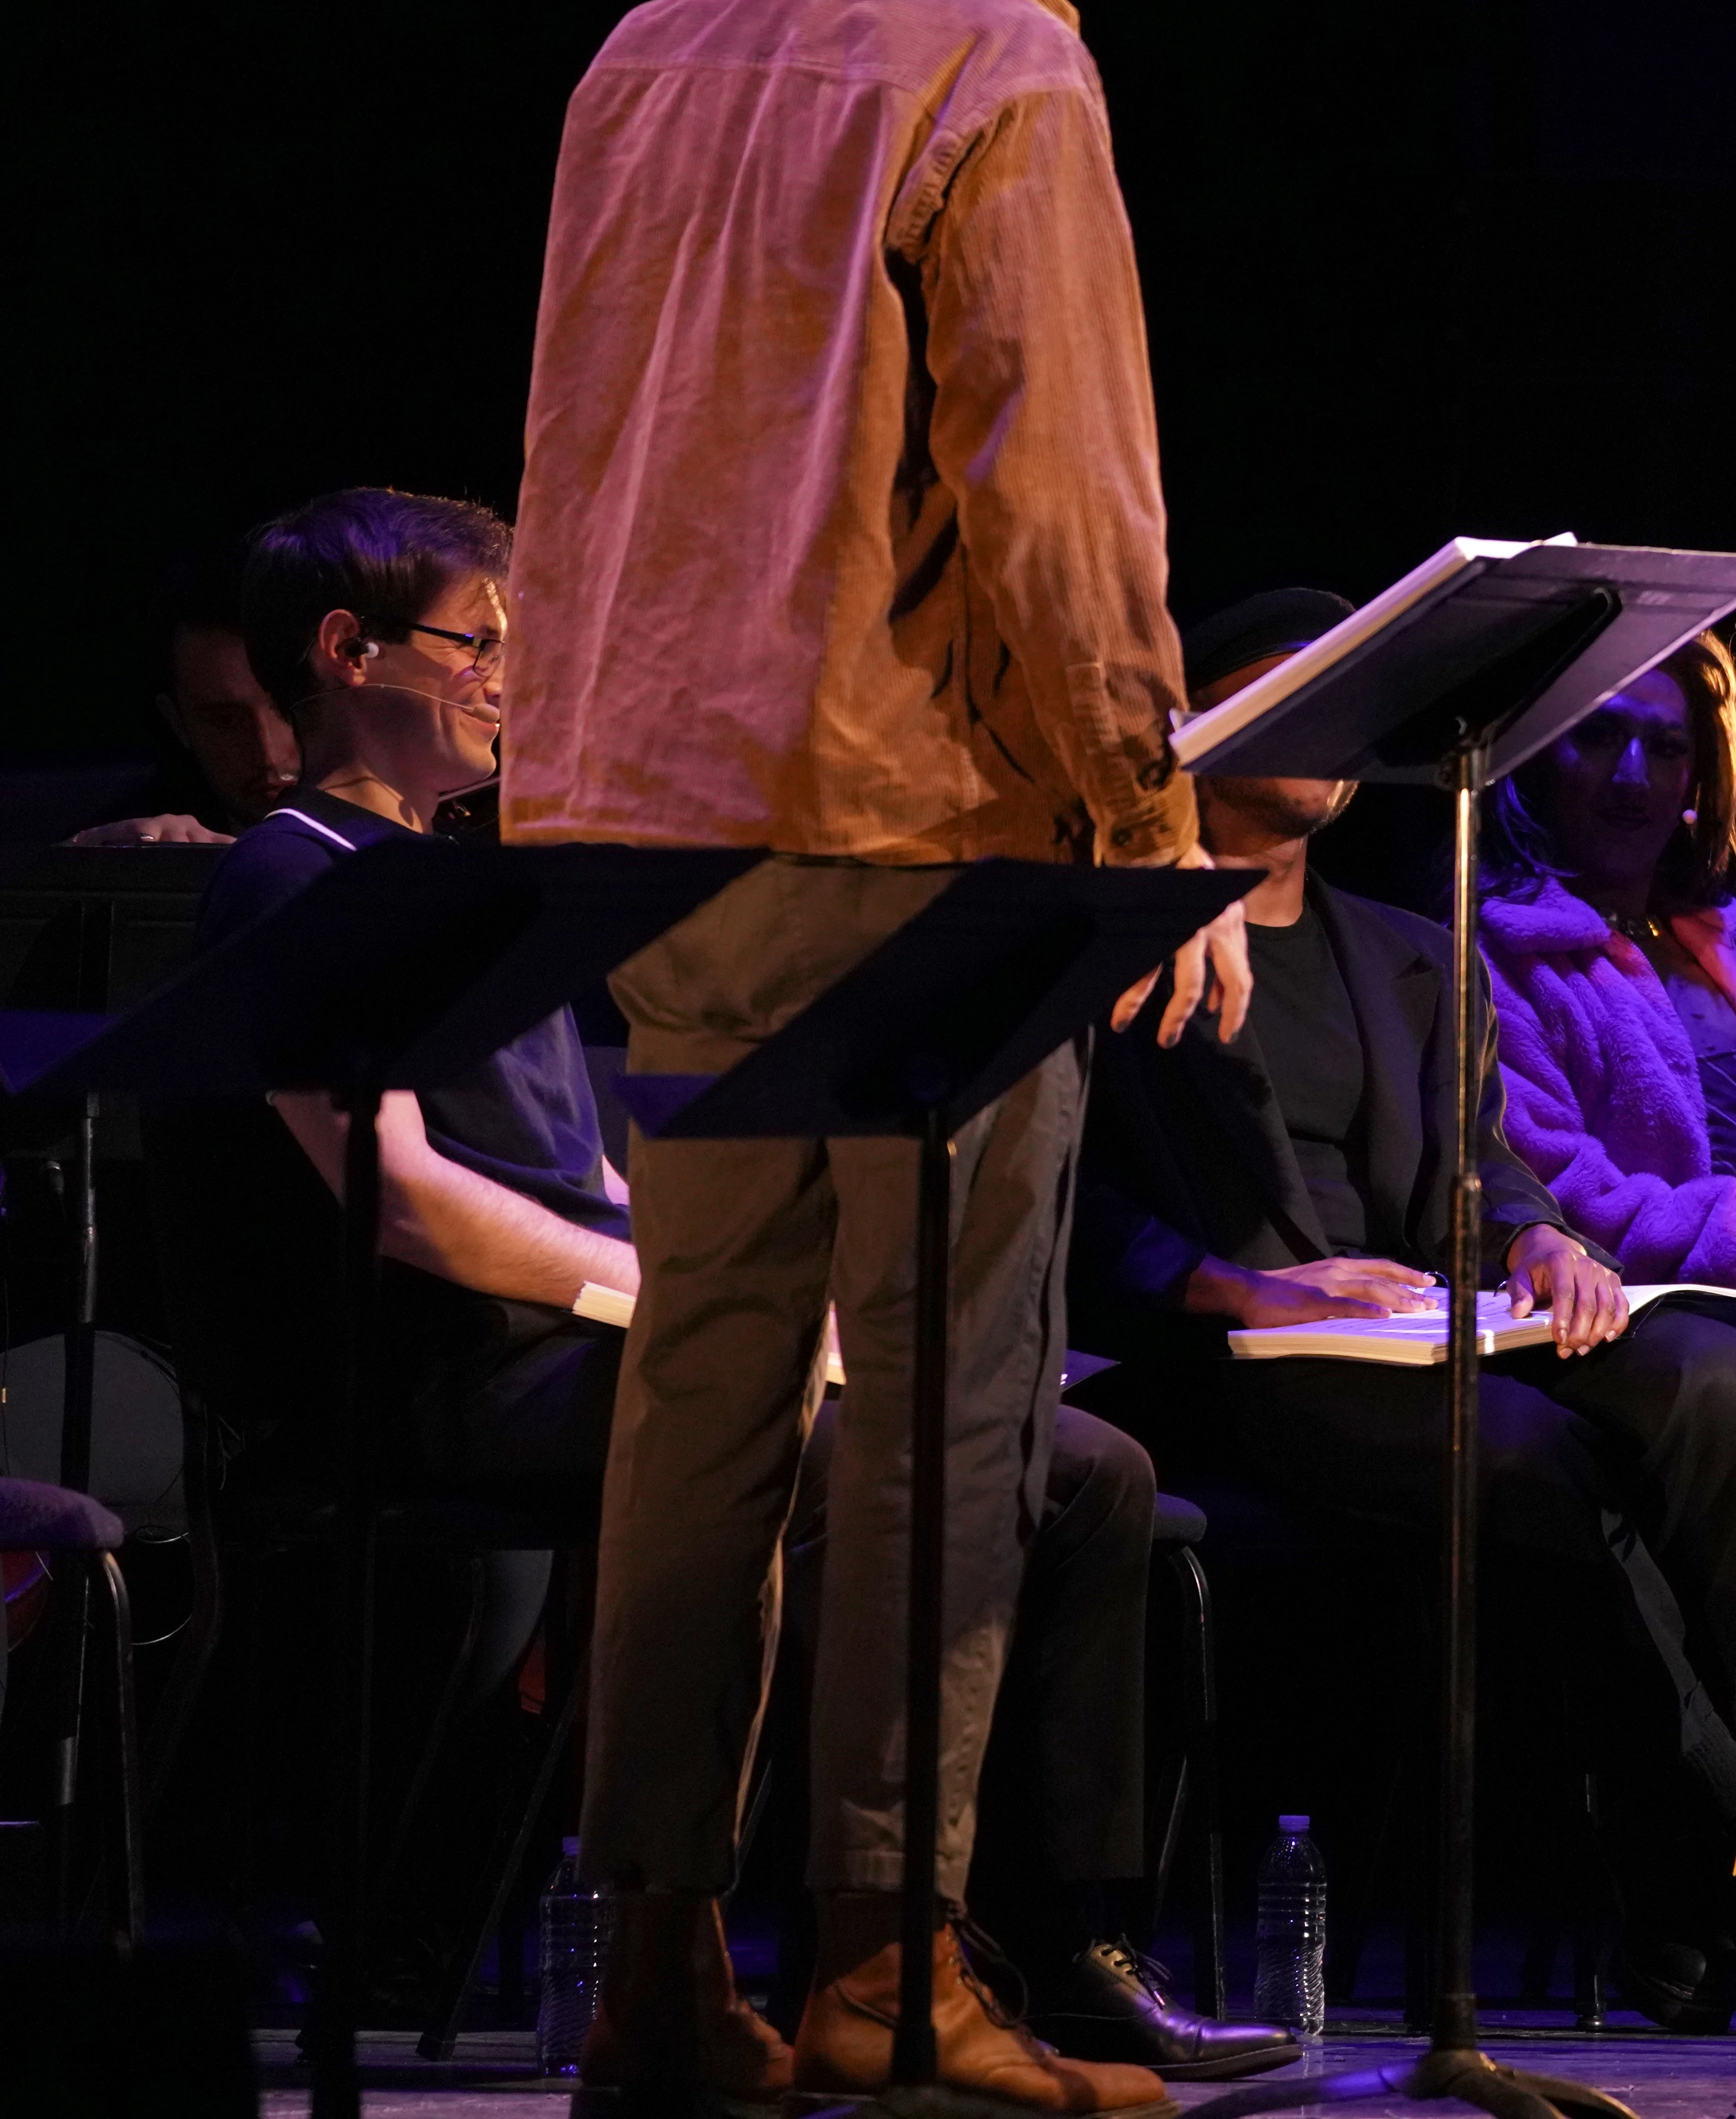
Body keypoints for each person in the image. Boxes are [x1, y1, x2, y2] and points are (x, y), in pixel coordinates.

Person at [507, 0, 1244, 2115]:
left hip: (639, 809)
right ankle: (885, 1966)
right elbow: (1057, 498)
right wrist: (1149, 824)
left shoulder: (647, 51)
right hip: (910, 821)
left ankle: (641, 1981)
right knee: (943, 1403)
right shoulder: (1003, 57)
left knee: (695, 1398)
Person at [185, 490, 1287, 2082]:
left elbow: (591, 1167)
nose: (512, 678)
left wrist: (807, 1293)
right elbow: (408, 1202)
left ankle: (1058, 1933)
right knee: (850, 1460)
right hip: (465, 1370)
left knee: (1085, 1468)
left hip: (582, 1335)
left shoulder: (463, 865)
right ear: (346, 652)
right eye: (477, 643)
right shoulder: (292, 874)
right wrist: (680, 1299)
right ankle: (801, 1932)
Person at [1071, 588, 1736, 2039]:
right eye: (1289, 684)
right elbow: (1068, 1199)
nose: (1331, 719)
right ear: (1200, 717)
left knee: (1718, 1390)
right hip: (1245, 1358)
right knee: (1530, 1457)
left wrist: (1544, 1241)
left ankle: (1669, 1871)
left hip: (1429, 1330)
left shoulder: (1408, 947)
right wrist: (1238, 1282)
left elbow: (1486, 1169)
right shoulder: (1120, 938)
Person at [1477, 634, 1736, 1292]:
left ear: (1694, 781)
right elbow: (1551, 1187)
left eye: (1667, 748)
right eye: (1600, 737)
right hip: (1643, 1329)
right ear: (1534, 760)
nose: (1633, 776)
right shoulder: (1497, 962)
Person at [67, 538, 298, 845]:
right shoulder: (148, 834)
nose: (269, 754)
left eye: (288, 705)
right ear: (177, 722)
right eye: (225, 721)